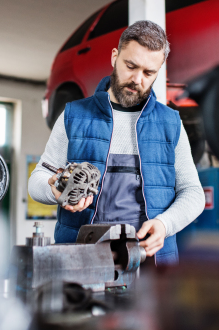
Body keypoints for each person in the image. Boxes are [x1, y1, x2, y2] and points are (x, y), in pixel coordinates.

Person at [28, 20, 205, 264]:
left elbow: (193, 193)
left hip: (151, 261)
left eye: (148, 73)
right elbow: (37, 180)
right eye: (130, 66)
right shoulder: (74, 115)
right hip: (81, 260)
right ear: (115, 57)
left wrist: (165, 225)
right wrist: (55, 191)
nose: (137, 79)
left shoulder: (170, 123)